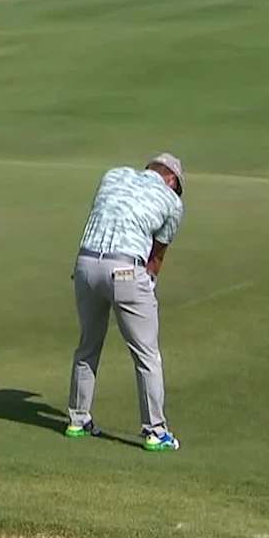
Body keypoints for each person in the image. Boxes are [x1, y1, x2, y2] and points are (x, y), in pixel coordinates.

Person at [67, 152, 185, 451]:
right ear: (171, 179)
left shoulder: (113, 174)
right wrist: (148, 284)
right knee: (147, 355)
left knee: (87, 346)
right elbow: (156, 256)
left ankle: (77, 420)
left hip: (85, 265)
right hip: (125, 270)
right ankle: (155, 431)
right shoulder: (172, 202)